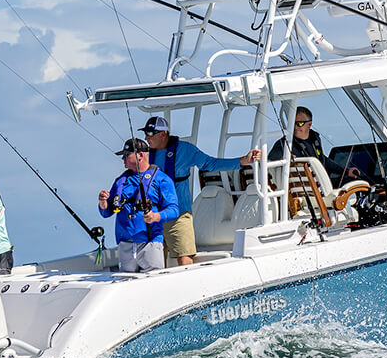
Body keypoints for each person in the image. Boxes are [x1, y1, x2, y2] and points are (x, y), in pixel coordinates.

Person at [140, 116, 261, 266]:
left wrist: (242, 161)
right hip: (151, 215)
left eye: (150, 133)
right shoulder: (144, 154)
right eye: (145, 133)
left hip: (178, 214)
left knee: (184, 256)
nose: (146, 137)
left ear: (163, 134)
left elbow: (211, 164)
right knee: (153, 259)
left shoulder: (185, 150)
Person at [98, 138, 179, 273]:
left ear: (140, 155)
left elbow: (174, 210)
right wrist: (102, 203)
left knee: (153, 284)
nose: (123, 159)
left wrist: (155, 216)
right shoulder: (120, 181)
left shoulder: (162, 179)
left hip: (150, 244)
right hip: (125, 246)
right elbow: (106, 213)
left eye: (126, 155)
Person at [268, 106, 362, 185]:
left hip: (322, 184)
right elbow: (271, 159)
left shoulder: (314, 140)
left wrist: (346, 171)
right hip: (309, 189)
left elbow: (323, 160)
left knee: (356, 181)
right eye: (293, 123)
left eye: (299, 124)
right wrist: (284, 159)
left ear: (309, 124)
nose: (295, 127)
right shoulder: (284, 143)